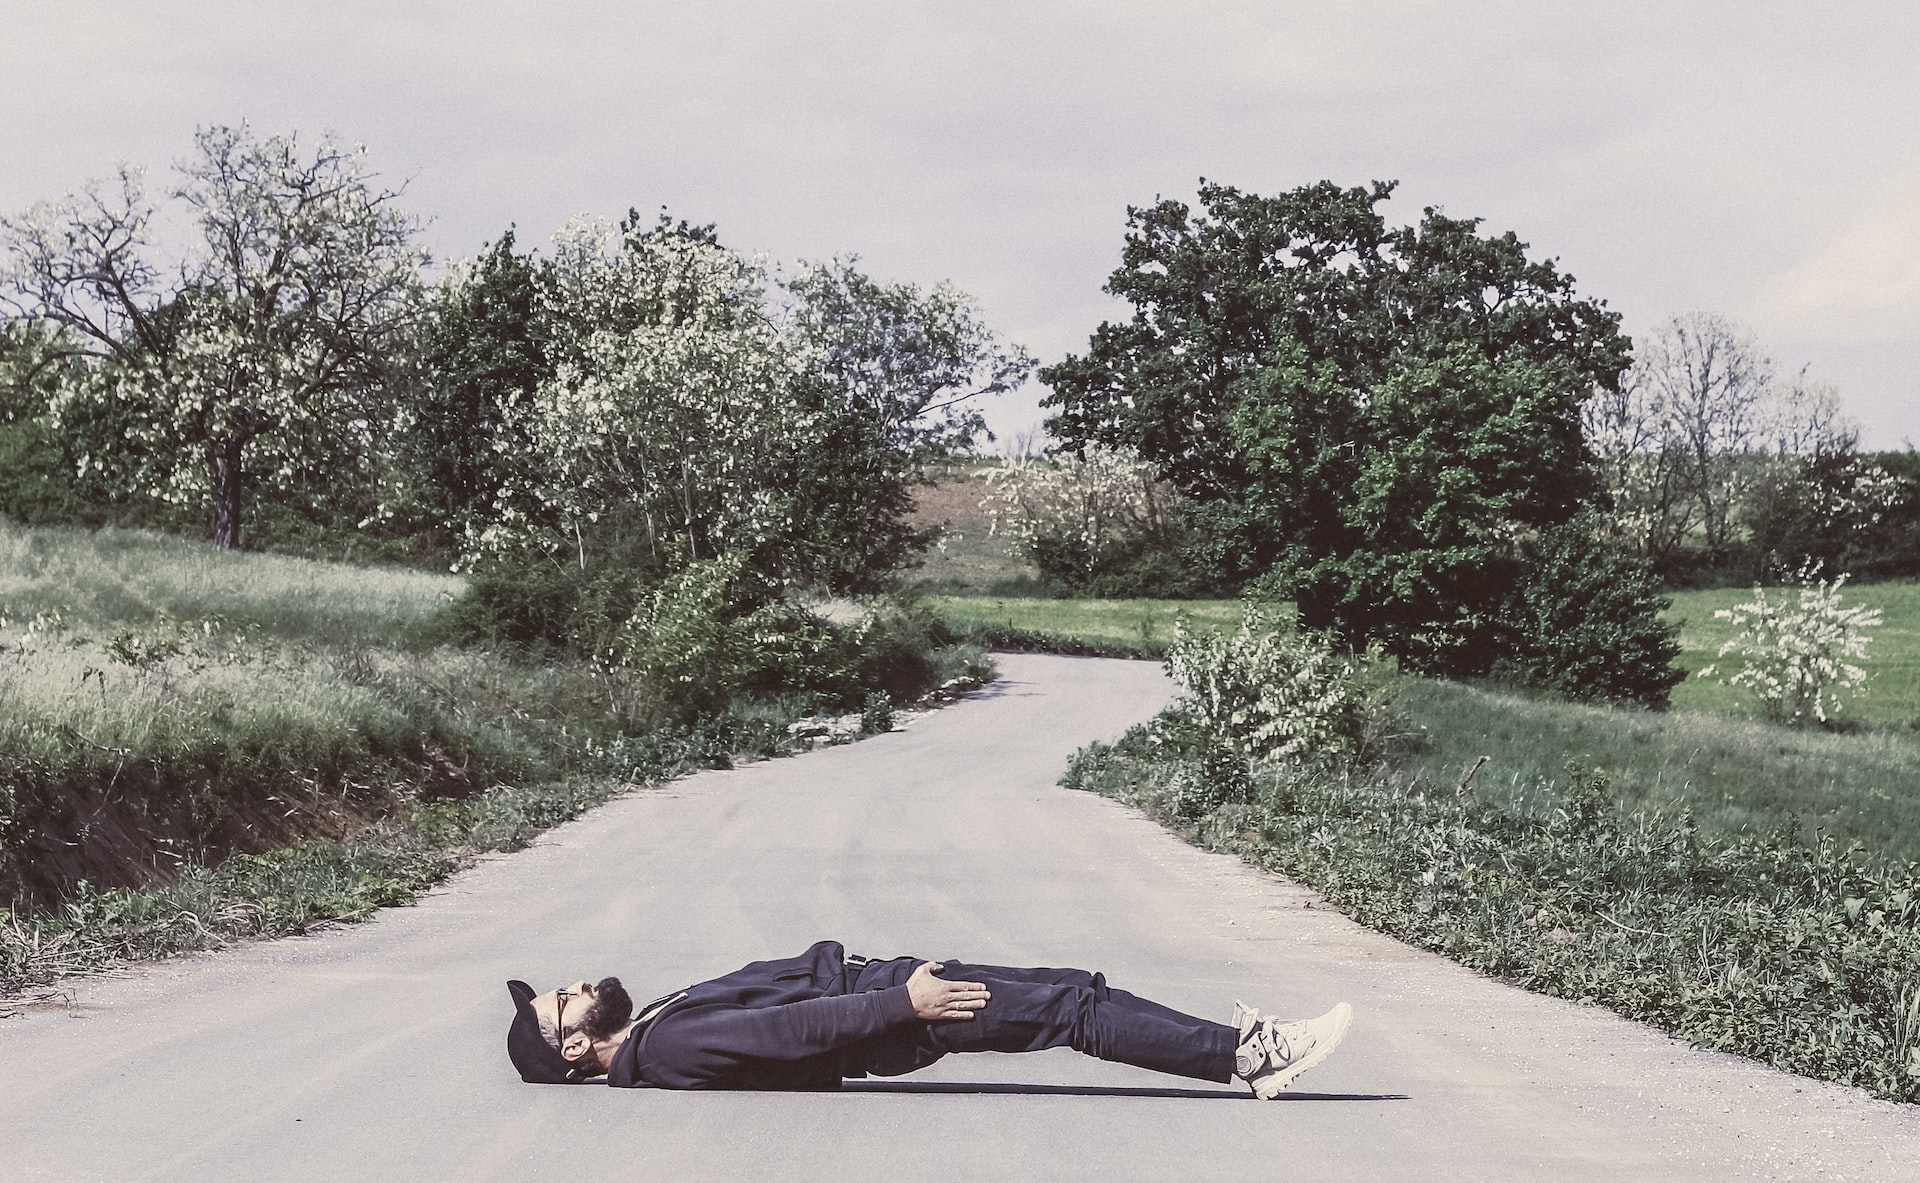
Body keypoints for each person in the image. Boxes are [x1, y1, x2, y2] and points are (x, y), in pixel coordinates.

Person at [505, 940, 1352, 1098]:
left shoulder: (656, 1028)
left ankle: (1233, 1047)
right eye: (563, 1000)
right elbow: (794, 1033)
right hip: (898, 1010)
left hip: (891, 993)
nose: (577, 982)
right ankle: (1250, 1056)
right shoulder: (671, 1043)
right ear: (575, 1044)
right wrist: (901, 1001)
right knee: (1072, 1007)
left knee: (1071, 992)